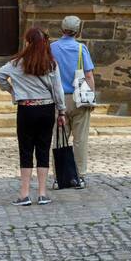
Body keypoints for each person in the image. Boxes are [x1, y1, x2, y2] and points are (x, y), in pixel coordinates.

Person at [0, 27, 65, 206]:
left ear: (28, 42)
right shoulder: (51, 63)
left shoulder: (17, 63)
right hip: (46, 109)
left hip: (26, 109)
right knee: (43, 149)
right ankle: (42, 193)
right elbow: (58, 90)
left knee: (25, 150)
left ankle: (24, 194)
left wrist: (12, 91)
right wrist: (61, 111)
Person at [50, 16, 96, 187]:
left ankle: (59, 178)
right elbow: (89, 75)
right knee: (80, 139)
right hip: (78, 98)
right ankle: (79, 176)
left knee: (59, 139)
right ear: (78, 31)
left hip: (57, 99)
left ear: (62, 29)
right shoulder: (80, 48)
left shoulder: (52, 48)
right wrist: (91, 98)